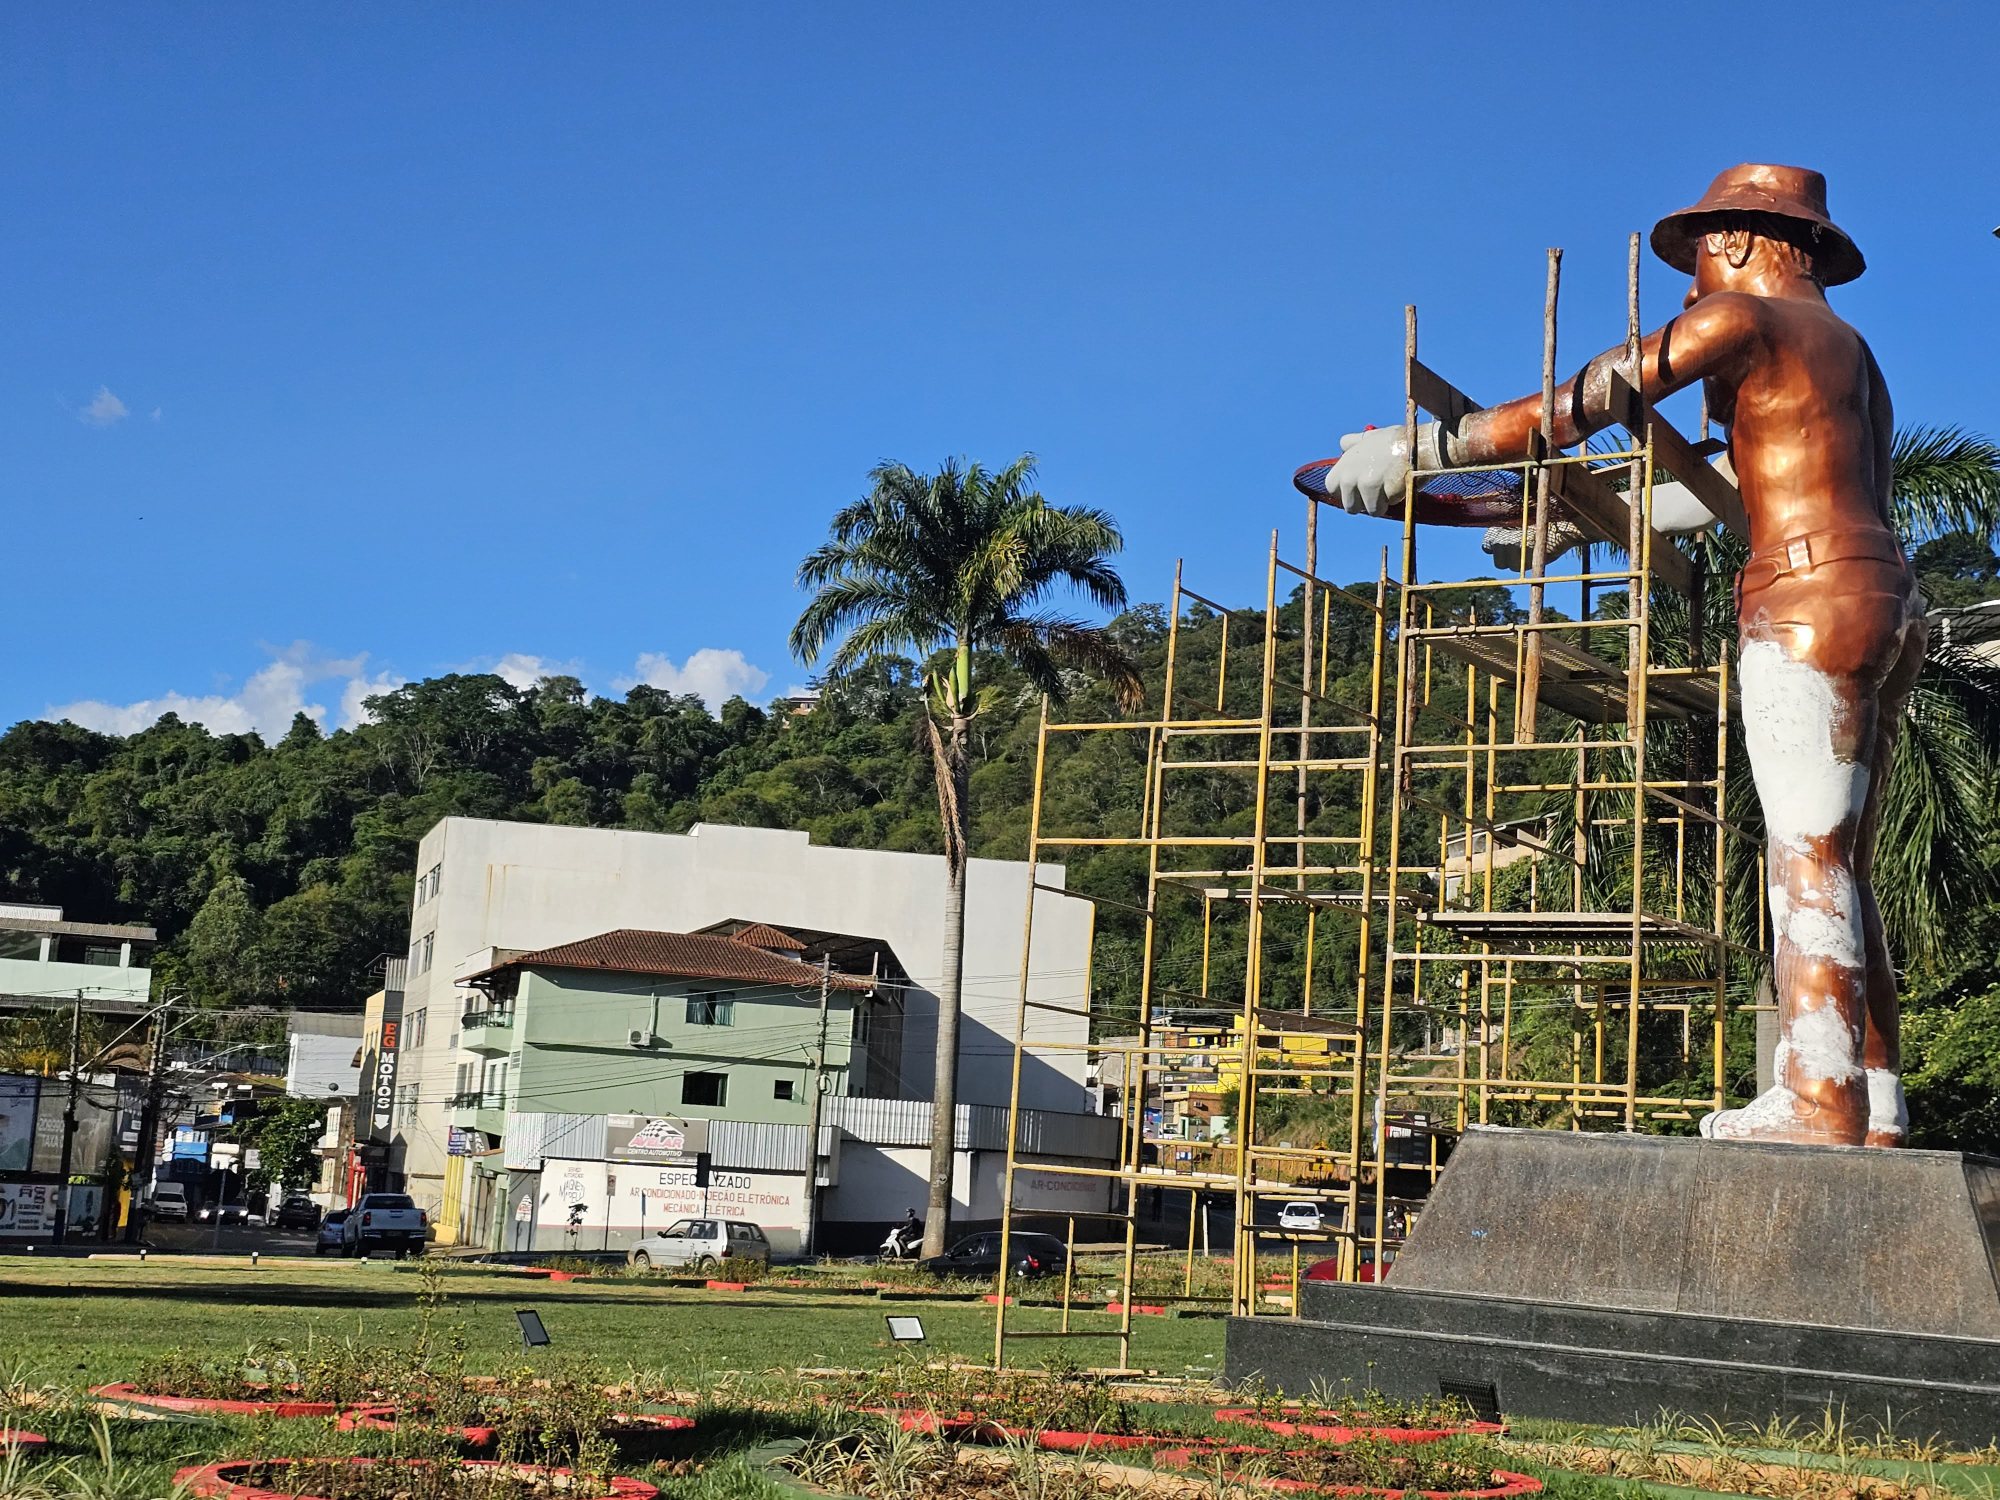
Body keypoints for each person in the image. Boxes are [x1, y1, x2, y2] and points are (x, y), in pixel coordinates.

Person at [1329, 165, 1922, 1148]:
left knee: (1805, 852)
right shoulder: (1848, 355)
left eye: (1694, 260)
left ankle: (1819, 1096)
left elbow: (1590, 394)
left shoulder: (1738, 318)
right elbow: (1758, 472)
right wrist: (1578, 523)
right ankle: (1877, 1095)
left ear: (1736, 242)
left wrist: (1422, 449)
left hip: (1805, 598)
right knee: (1845, 864)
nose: (1691, 284)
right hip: (1885, 593)